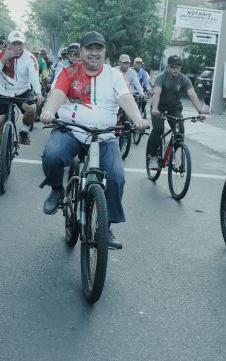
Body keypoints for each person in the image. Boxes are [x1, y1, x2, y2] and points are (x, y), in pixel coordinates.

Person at [39, 31, 149, 250]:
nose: (94, 53)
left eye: (99, 49)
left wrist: (137, 118)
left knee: (116, 177)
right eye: (89, 49)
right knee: (52, 155)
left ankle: (105, 227)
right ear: (80, 52)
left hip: (105, 135)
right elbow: (57, 94)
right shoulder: (68, 72)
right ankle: (56, 189)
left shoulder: (114, 75)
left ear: (105, 52)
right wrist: (49, 111)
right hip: (72, 130)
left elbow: (126, 98)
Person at [0, 31, 44, 171]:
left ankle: (23, 131)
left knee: (32, 109)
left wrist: (38, 93)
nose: (17, 46)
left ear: (24, 44)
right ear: (8, 43)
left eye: (20, 43)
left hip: (23, 91)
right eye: (14, 43)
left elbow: (34, 77)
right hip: (3, 92)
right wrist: (5, 57)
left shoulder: (30, 58)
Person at [146, 55, 208, 170]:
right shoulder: (161, 77)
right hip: (158, 108)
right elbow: (156, 93)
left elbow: (192, 94)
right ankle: (153, 156)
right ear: (168, 67)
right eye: (173, 66)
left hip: (174, 109)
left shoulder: (183, 79)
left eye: (178, 66)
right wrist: (154, 108)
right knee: (158, 129)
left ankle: (172, 154)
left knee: (180, 131)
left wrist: (200, 111)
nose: (176, 69)